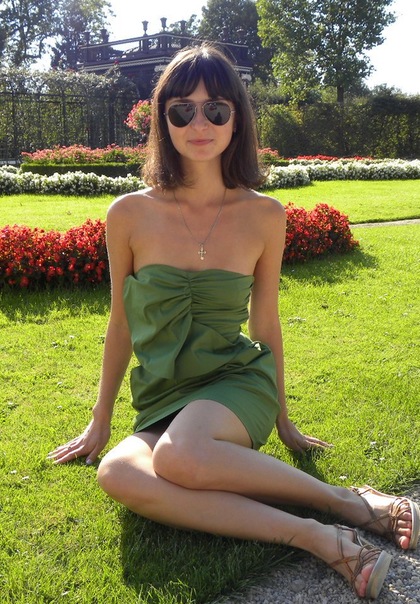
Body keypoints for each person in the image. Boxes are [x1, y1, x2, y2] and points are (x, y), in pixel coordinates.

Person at [48, 44, 419, 600]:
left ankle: (347, 503)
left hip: (236, 383)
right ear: (162, 120)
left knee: (180, 455)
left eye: (216, 109)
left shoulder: (264, 214)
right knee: (118, 473)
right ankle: (316, 536)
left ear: (237, 118)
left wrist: (284, 419)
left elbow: (265, 323)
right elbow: (120, 322)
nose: (199, 124)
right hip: (165, 395)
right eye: (182, 110)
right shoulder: (128, 213)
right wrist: (100, 420)